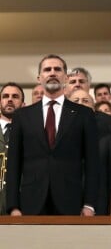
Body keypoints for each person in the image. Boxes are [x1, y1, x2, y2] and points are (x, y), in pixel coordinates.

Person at [6, 54, 99, 216]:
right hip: (31, 202)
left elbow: (92, 163)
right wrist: (13, 206)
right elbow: (13, 163)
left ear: (65, 77)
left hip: (71, 202)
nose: (52, 73)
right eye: (47, 69)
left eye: (57, 69)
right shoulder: (22, 116)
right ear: (39, 78)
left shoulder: (83, 114)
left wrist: (89, 204)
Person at [0, 82, 25, 215]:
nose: (9, 99)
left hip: (20, 208)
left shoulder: (30, 133)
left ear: (23, 104)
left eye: (15, 96)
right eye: (5, 96)